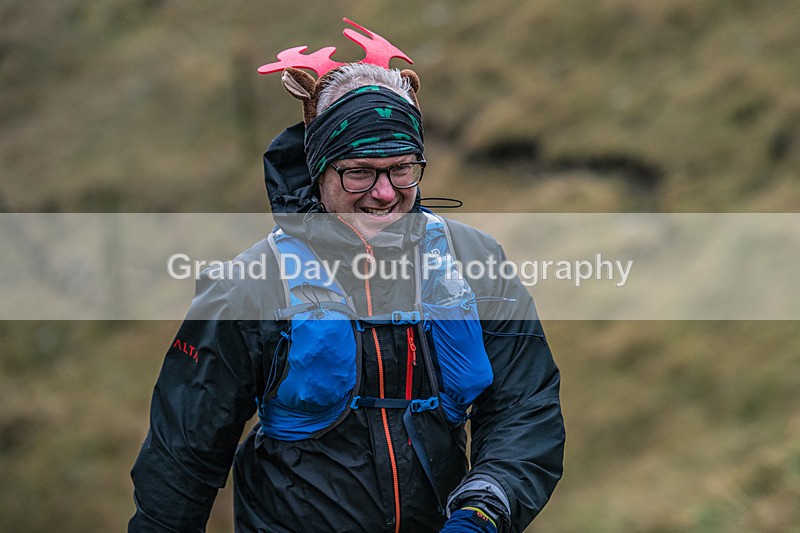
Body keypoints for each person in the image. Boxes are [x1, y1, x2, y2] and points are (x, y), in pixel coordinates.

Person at [130, 19, 564, 533]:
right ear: (319, 170)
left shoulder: (475, 261)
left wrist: (485, 508)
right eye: (359, 171)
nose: (384, 192)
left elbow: (526, 407)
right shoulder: (249, 287)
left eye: (402, 169)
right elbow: (181, 460)